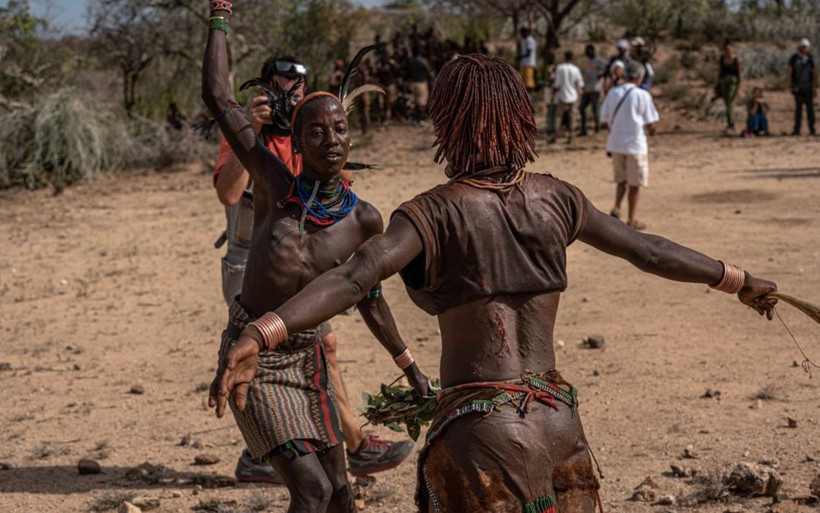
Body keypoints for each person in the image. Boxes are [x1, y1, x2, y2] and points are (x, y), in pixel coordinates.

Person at [212, 53, 778, 513]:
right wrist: (739, 279)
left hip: (481, 433)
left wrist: (262, 331)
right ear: (521, 117)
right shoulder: (559, 198)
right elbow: (649, 250)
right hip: (560, 423)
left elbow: (356, 278)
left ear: (448, 126)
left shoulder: (430, 214)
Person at [203, 12, 421, 508]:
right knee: (313, 489)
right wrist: (219, 15)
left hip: (310, 360)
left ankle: (355, 450)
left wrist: (408, 365)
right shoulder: (274, 185)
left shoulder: (364, 219)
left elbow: (368, 294)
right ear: (297, 145)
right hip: (254, 355)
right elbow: (217, 95)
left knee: (341, 496)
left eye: (340, 130)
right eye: (316, 133)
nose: (331, 140)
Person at [600, 61, 659, 231]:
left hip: (616, 143)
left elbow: (604, 118)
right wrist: (653, 132)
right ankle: (631, 220)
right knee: (635, 184)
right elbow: (651, 123)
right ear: (639, 78)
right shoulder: (642, 95)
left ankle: (617, 207)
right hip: (635, 144)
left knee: (621, 180)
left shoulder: (613, 93)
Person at [551, 50, 584, 144]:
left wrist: (553, 95)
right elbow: (579, 84)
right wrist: (580, 95)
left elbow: (556, 84)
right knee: (572, 117)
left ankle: (555, 136)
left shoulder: (560, 68)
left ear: (565, 57)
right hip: (573, 96)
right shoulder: (576, 69)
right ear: (572, 58)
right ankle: (571, 137)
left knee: (558, 116)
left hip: (562, 96)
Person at [787, 38, 816, 136]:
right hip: (798, 87)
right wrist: (790, 85)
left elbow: (814, 73)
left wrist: (814, 87)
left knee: (810, 110)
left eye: (806, 47)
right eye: (803, 47)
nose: (804, 49)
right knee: (798, 109)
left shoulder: (810, 59)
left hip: (808, 87)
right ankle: (797, 129)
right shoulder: (794, 58)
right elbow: (790, 72)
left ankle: (812, 129)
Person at [579, 44, 608, 136]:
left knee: (595, 110)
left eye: (588, 51)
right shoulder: (588, 61)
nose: (587, 53)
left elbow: (607, 68)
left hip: (595, 89)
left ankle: (597, 130)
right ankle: (584, 130)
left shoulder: (599, 60)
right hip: (587, 89)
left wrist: (601, 75)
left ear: (592, 51)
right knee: (582, 108)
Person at [717, 39, 742, 135]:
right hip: (724, 82)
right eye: (726, 50)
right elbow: (719, 72)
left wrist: (739, 87)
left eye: (729, 50)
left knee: (730, 103)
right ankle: (730, 123)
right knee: (727, 103)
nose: (728, 52)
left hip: (733, 82)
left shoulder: (736, 60)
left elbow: (739, 75)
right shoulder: (722, 59)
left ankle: (731, 124)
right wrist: (718, 84)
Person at [407, 46, 432, 124]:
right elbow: (429, 71)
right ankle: (420, 120)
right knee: (421, 103)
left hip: (413, 83)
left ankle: (416, 119)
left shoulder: (411, 61)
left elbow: (407, 72)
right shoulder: (423, 61)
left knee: (416, 102)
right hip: (421, 83)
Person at [518, 27, 537, 96]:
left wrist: (520, 56)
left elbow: (529, 52)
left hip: (529, 63)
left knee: (529, 81)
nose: (521, 35)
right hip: (525, 63)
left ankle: (530, 96)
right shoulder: (525, 40)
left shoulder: (530, 40)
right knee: (524, 80)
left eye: (522, 33)